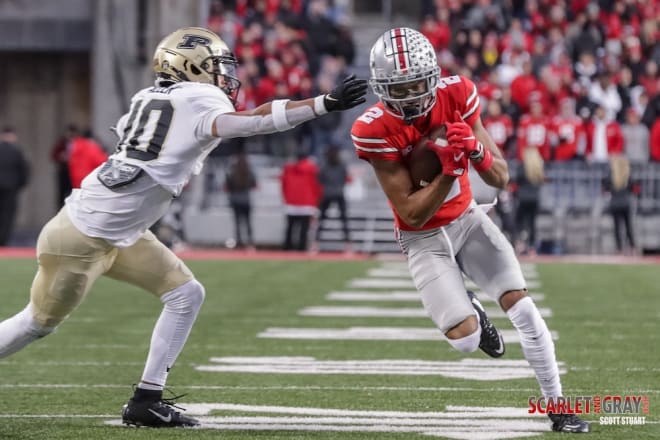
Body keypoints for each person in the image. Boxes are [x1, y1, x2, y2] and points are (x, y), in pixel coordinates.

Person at [0, 26, 366, 428]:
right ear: (191, 66)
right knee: (36, 324)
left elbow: (130, 136)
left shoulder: (146, 96)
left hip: (116, 230)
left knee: (186, 294)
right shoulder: (199, 97)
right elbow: (252, 123)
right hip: (82, 239)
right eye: (216, 66)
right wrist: (323, 104)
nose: (225, 76)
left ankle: (147, 399)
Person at [351, 27, 589, 433]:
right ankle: (474, 312)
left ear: (432, 76)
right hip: (422, 235)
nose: (408, 96)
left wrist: (476, 151)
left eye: (414, 85)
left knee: (524, 309)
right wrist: (449, 172)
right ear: (382, 88)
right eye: (398, 88)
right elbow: (411, 214)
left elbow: (500, 176)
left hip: (467, 218)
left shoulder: (457, 93)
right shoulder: (372, 129)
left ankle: (558, 406)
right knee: (463, 338)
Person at [281, 147, 321, 251]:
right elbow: (316, 186)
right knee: (304, 229)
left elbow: (283, 185)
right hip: (306, 203)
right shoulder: (312, 169)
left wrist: (286, 198)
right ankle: (301, 250)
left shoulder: (288, 169)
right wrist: (316, 200)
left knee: (290, 228)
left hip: (291, 202)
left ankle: (287, 249)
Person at [316, 145, 351, 251]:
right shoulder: (339, 165)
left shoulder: (325, 165)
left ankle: (315, 243)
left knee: (322, 219)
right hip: (337, 193)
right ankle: (348, 244)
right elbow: (345, 178)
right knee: (342, 219)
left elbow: (320, 179)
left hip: (328, 194)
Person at [0, 127, 30, 246]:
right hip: (11, 187)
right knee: (7, 214)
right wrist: (19, 184)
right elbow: (24, 171)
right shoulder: (17, 151)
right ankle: (3, 240)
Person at [224, 144, 257, 249]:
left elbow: (227, 186)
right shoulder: (248, 171)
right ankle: (250, 242)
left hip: (235, 200)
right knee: (248, 222)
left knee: (237, 223)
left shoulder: (232, 171)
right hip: (246, 199)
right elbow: (254, 184)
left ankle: (239, 242)